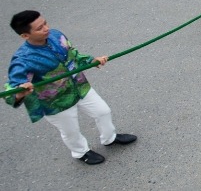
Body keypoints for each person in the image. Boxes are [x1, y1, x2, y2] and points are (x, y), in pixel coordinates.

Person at [4, 10, 138, 165]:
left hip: (79, 86)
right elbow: (12, 88)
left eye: (45, 23)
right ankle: (81, 152)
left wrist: (91, 60)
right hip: (55, 101)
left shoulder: (56, 35)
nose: (46, 28)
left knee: (103, 111)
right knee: (71, 131)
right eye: (40, 28)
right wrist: (21, 92)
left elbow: (72, 53)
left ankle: (110, 138)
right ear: (25, 36)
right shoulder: (22, 59)